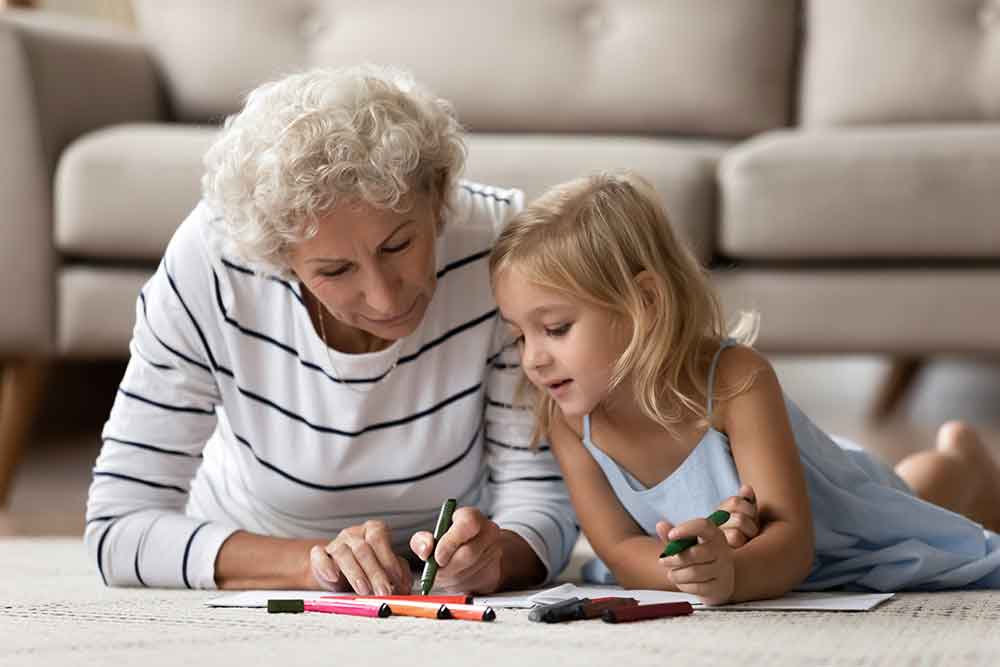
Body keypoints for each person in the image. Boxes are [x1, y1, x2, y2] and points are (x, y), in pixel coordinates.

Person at [83, 65, 588, 594]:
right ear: (280, 259)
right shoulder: (213, 264)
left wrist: (497, 560)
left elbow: (541, 500)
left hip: (441, 573)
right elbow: (119, 529)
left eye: (398, 246)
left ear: (437, 199)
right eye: (335, 270)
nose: (386, 297)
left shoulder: (495, 244)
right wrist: (313, 565)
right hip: (260, 550)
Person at [489, 169, 1000, 605]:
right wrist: (690, 568)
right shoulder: (569, 418)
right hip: (739, 552)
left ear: (642, 303)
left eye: (555, 329)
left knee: (910, 504)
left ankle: (964, 459)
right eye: (517, 335)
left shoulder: (735, 378)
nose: (533, 359)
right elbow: (619, 548)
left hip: (837, 512)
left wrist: (729, 576)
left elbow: (794, 542)